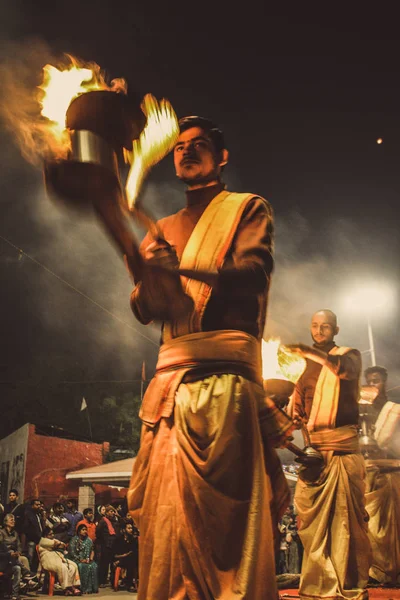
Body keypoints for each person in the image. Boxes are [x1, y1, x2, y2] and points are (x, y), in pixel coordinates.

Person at [101, 115, 294, 599]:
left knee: (225, 527)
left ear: (221, 157)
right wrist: (149, 272)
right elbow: (145, 309)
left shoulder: (247, 208)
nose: (186, 151)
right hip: (169, 392)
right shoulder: (162, 227)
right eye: (180, 146)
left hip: (225, 388)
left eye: (199, 144)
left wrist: (180, 266)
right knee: (165, 521)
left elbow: (252, 272)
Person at [287, 309, 371, 600]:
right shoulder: (302, 367)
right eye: (315, 326)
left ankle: (347, 581)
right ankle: (318, 582)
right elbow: (298, 410)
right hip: (315, 456)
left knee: (344, 521)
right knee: (311, 524)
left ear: (336, 330)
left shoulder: (349, 354)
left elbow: (341, 370)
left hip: (342, 451)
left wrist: (310, 352)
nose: (319, 331)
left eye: (325, 327)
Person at [361, 365, 400, 586]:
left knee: (394, 528)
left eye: (376, 380)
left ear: (384, 382)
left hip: (392, 474)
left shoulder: (393, 409)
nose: (372, 385)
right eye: (369, 381)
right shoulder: (361, 411)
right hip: (369, 476)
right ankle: (376, 572)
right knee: (373, 528)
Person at [38, 528, 81, 596]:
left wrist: (59, 544)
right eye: (50, 534)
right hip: (48, 559)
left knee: (72, 566)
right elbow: (56, 544)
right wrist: (58, 544)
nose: (52, 535)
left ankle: (72, 586)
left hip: (56, 558)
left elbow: (63, 545)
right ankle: (66, 588)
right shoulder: (43, 541)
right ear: (45, 535)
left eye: (53, 533)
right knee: (63, 567)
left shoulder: (52, 540)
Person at [68, 524, 98, 594]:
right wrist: (80, 559)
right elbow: (72, 553)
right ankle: (83, 588)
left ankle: (93, 588)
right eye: (83, 530)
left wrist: (90, 559)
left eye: (86, 530)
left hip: (87, 559)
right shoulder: (74, 540)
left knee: (94, 565)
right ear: (79, 531)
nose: (85, 531)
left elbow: (92, 550)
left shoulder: (89, 540)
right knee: (82, 566)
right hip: (76, 559)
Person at [112, 521, 138, 592]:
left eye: (131, 528)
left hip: (128, 560)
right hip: (119, 559)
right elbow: (114, 554)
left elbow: (133, 552)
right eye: (129, 528)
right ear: (124, 530)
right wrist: (122, 556)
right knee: (130, 560)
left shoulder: (133, 540)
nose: (131, 530)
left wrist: (124, 556)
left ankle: (129, 582)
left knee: (132, 558)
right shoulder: (118, 540)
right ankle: (129, 583)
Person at [95, 505, 117, 587]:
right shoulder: (103, 521)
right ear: (107, 513)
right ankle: (102, 581)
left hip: (113, 544)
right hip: (105, 544)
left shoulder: (114, 521)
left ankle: (112, 581)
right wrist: (103, 540)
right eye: (111, 511)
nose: (112, 513)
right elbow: (98, 532)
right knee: (104, 563)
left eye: (113, 511)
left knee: (113, 564)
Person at [22, 498, 43, 570]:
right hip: (32, 540)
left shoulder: (39, 515)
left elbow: (41, 527)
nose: (39, 506)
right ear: (32, 506)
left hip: (39, 539)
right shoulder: (28, 514)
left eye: (39, 505)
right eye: (36, 505)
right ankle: (27, 574)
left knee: (36, 559)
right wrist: (34, 537)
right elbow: (26, 528)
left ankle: (33, 574)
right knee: (30, 557)